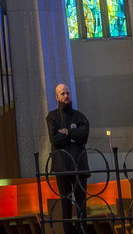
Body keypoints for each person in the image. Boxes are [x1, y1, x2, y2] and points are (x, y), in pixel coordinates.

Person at [48, 81, 91, 230]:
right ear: (57, 97)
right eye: (62, 93)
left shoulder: (79, 116)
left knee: (81, 202)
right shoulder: (52, 117)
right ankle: (68, 231)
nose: (66, 95)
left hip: (79, 164)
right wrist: (73, 136)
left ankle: (82, 230)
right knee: (65, 202)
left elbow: (84, 135)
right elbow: (54, 139)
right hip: (62, 165)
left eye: (67, 93)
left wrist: (67, 132)